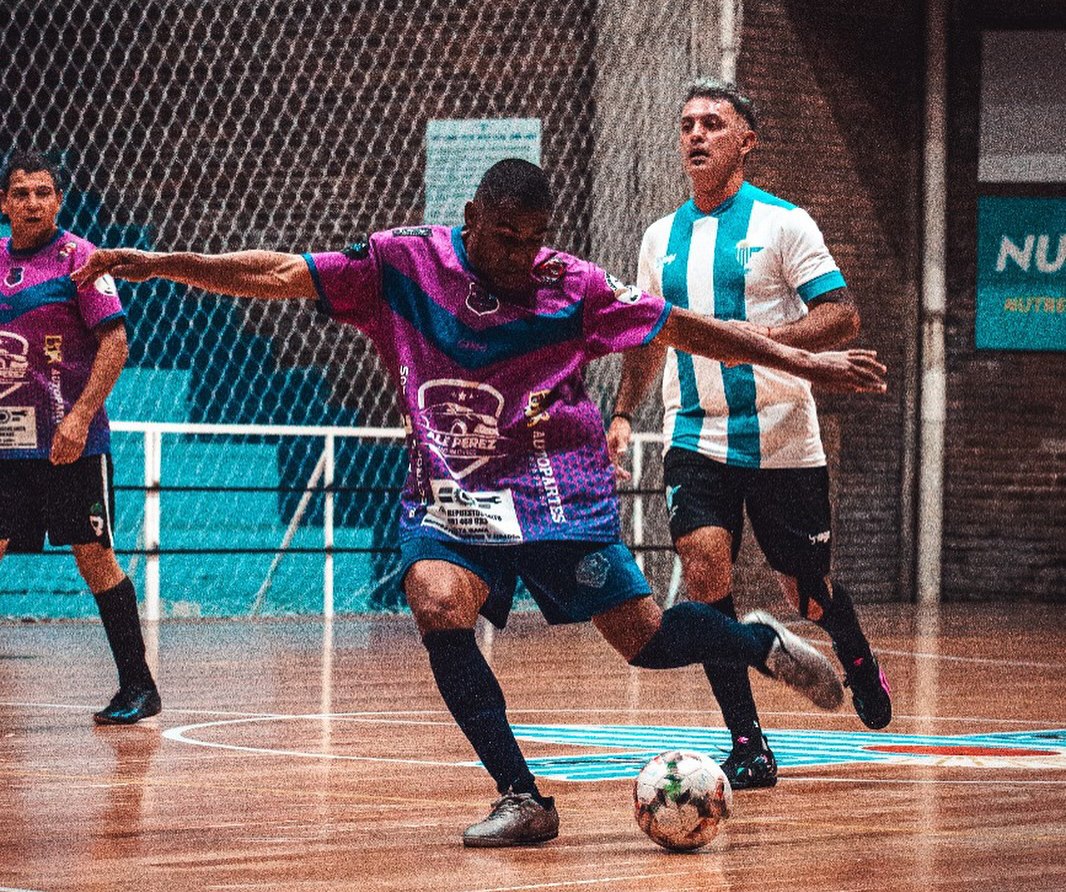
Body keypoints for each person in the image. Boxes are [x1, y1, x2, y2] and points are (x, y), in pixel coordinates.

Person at [73, 158, 885, 845]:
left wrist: (804, 363)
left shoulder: (574, 286)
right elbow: (280, 272)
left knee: (644, 641)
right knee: (434, 597)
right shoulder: (403, 264)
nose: (520, 254)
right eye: (505, 237)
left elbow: (685, 330)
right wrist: (160, 261)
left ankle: (751, 641)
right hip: (452, 497)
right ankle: (522, 797)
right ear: (471, 217)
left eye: (533, 239)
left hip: (554, 490)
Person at [608, 79, 893, 793]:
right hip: (694, 436)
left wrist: (764, 340)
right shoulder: (658, 240)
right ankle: (749, 745)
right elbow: (644, 339)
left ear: (746, 140)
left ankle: (854, 655)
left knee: (807, 593)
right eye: (686, 125)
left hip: (781, 438)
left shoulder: (784, 224)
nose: (695, 136)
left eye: (712, 123)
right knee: (705, 574)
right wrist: (620, 413)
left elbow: (842, 315)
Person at [0, 150, 160, 724]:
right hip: (7, 444)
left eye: (43, 192)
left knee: (93, 556)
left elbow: (115, 342)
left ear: (58, 200)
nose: (33, 202)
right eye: (21, 193)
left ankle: (139, 687)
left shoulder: (83, 259)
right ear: (4, 203)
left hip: (72, 441)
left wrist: (80, 415)